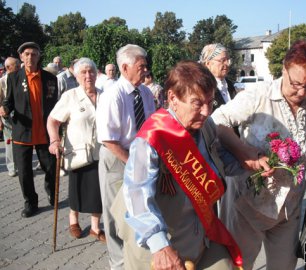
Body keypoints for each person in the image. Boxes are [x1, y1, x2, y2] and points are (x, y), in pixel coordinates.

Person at [211, 40, 306, 270]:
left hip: (287, 209)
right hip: (246, 205)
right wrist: (244, 152)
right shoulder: (258, 95)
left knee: (284, 266)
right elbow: (217, 122)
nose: (302, 92)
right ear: (284, 68)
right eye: (296, 83)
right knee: (238, 265)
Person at [121, 60, 242, 270]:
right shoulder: (152, 138)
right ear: (172, 98)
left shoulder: (207, 127)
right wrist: (160, 246)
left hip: (200, 238)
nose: (206, 111)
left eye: (211, 102)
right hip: (158, 250)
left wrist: (252, 162)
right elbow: (137, 194)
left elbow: (220, 163)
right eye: (197, 103)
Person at [96, 44, 155, 270]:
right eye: (141, 66)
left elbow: (151, 126)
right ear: (124, 67)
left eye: (146, 65)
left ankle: (137, 257)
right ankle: (118, 264)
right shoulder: (113, 95)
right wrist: (133, 162)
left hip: (140, 157)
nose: (146, 70)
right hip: (117, 157)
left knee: (140, 207)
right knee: (114, 214)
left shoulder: (146, 93)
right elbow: (109, 140)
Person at [47, 57, 105, 242]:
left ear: (97, 74)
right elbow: (53, 120)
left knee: (98, 191)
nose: (88, 75)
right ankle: (74, 220)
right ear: (77, 75)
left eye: (91, 72)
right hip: (78, 151)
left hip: (101, 152)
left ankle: (95, 227)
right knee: (77, 188)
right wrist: (54, 140)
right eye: (84, 72)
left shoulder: (105, 95)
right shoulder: (70, 96)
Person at [0, 42, 58, 218]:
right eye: (27, 54)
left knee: (51, 168)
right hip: (22, 131)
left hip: (44, 132)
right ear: (21, 57)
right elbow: (8, 101)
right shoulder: (13, 77)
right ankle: (30, 202)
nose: (30, 57)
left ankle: (52, 194)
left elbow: (55, 105)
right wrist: (5, 108)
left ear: (39, 56)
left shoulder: (50, 78)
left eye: (34, 54)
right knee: (25, 172)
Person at [199, 43, 237, 111]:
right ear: (208, 63)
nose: (227, 64)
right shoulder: (202, 87)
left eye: (228, 60)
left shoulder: (229, 85)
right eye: (222, 60)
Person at [0, 57, 21, 177]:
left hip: (21, 116)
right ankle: (12, 167)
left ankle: (21, 165)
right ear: (8, 68)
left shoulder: (22, 79)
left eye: (19, 66)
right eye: (16, 66)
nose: (19, 68)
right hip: (7, 117)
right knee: (9, 142)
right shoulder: (2, 81)